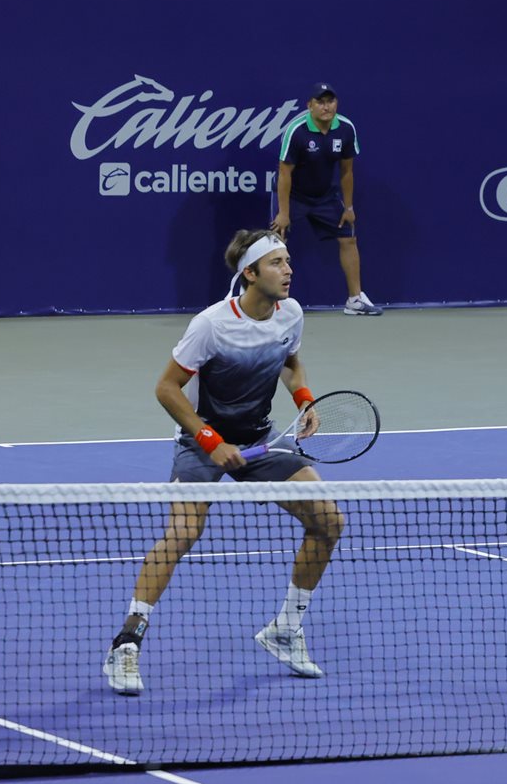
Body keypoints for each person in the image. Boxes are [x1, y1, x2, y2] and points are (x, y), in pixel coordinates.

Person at [103, 229, 346, 695]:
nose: (289, 270)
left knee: (328, 520)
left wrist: (304, 399)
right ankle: (126, 644)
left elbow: (290, 361)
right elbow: (167, 388)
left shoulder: (290, 313)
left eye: (288, 261)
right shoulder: (211, 325)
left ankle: (285, 629)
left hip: (259, 441)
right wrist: (210, 440)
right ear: (249, 273)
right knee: (183, 533)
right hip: (202, 442)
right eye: (277, 263)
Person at [270, 82, 382, 316]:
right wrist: (284, 212)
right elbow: (284, 173)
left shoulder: (346, 128)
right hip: (293, 195)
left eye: (330, 101)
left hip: (325, 197)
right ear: (309, 105)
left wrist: (348, 207)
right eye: (320, 102)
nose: (326, 106)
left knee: (348, 238)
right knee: (276, 244)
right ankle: (270, 302)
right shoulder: (297, 130)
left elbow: (347, 172)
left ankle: (355, 300)